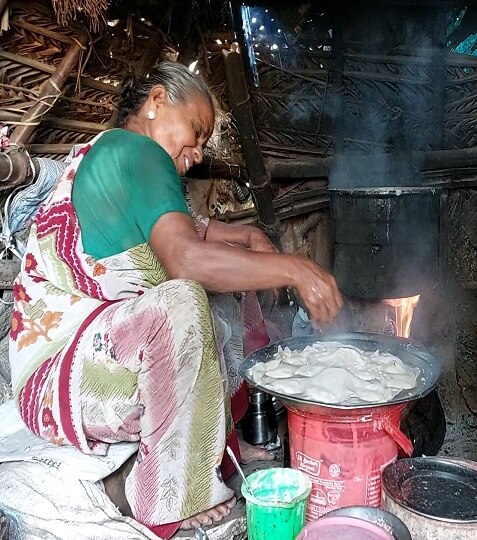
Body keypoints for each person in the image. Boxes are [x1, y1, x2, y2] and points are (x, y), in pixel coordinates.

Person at [8, 61, 343, 538]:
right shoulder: (139, 152)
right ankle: (168, 496)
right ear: (158, 101)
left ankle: (217, 445)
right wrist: (299, 269)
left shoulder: (116, 156)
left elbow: (190, 232)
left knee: (223, 287)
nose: (199, 151)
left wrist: (246, 239)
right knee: (184, 300)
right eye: (195, 130)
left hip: (70, 370)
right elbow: (184, 258)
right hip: (61, 377)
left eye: (205, 142)